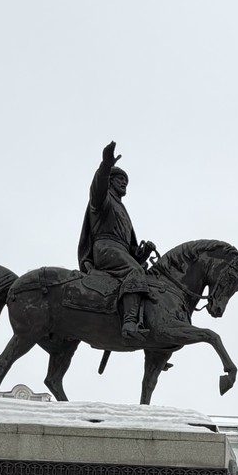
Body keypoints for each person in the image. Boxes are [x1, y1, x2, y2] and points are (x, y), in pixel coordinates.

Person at [77, 141, 158, 341]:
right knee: (135, 271)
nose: (124, 183)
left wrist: (144, 252)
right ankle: (129, 323)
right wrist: (106, 165)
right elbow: (98, 187)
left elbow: (131, 250)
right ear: (110, 181)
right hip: (105, 249)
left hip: (119, 252)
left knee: (146, 276)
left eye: (126, 181)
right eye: (120, 179)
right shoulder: (102, 200)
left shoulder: (123, 210)